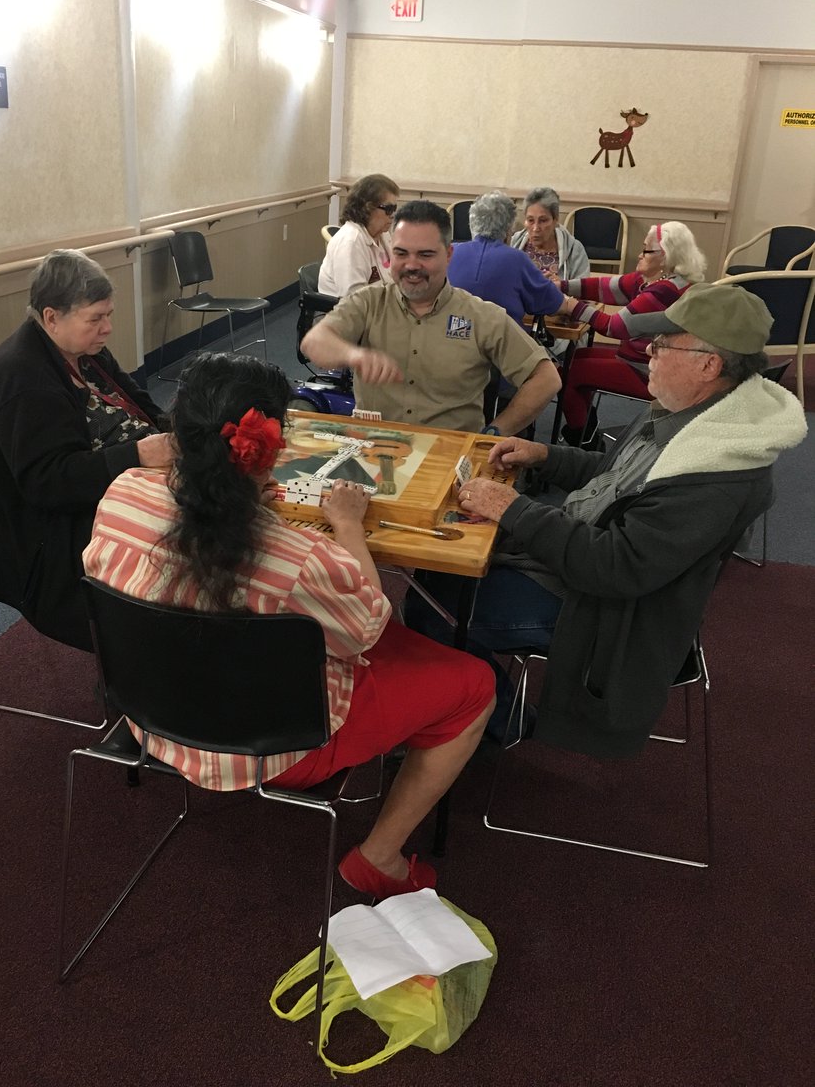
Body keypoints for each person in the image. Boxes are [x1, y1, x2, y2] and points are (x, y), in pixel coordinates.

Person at [83, 353, 495, 899]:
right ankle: (379, 856)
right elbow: (369, 625)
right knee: (476, 684)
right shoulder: (299, 561)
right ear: (271, 451)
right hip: (273, 746)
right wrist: (347, 525)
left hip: (150, 712)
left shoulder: (122, 493)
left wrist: (247, 501)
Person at [405, 284, 807, 757]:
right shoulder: (690, 416)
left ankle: (501, 725)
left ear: (708, 365)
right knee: (432, 577)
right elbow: (616, 474)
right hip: (578, 567)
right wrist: (544, 455)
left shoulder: (715, 473)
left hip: (604, 610)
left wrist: (512, 508)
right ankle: (472, 709)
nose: (648, 352)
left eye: (662, 344)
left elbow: (615, 567)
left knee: (431, 610)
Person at [0, 249, 173, 651]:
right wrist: (139, 455)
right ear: (51, 317)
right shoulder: (23, 378)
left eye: (109, 315)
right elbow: (47, 483)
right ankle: (150, 658)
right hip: (35, 537)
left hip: (101, 484)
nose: (107, 328)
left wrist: (176, 434)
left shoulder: (84, 352)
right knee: (173, 543)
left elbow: (138, 403)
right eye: (95, 319)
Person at [301, 199, 561, 435]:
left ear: (448, 255)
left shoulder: (481, 316)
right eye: (401, 253)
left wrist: (495, 433)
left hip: (448, 457)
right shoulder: (369, 301)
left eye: (425, 255)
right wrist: (354, 355)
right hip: (375, 450)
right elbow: (314, 342)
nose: (411, 265)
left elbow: (546, 379)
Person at [556, 220, 707, 446]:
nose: (639, 255)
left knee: (568, 374)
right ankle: (586, 431)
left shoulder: (664, 291)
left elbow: (614, 327)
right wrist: (563, 285)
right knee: (575, 359)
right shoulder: (657, 280)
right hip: (640, 360)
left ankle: (584, 440)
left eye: (646, 250)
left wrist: (571, 306)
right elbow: (606, 287)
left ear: (665, 256)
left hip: (649, 370)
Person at [448, 191, 568, 325]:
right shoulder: (517, 259)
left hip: (452, 334)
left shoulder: (448, 253)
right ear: (508, 230)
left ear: (472, 224)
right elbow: (558, 305)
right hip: (501, 337)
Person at [318, 174, 400, 299]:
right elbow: (355, 300)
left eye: (394, 208)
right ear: (367, 208)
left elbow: (396, 274)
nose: (392, 215)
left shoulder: (383, 234)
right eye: (388, 209)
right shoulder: (351, 242)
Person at [509, 187, 590, 282]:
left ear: (555, 220)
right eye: (530, 220)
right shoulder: (513, 243)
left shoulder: (574, 250)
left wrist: (562, 286)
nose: (535, 228)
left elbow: (583, 288)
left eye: (543, 221)